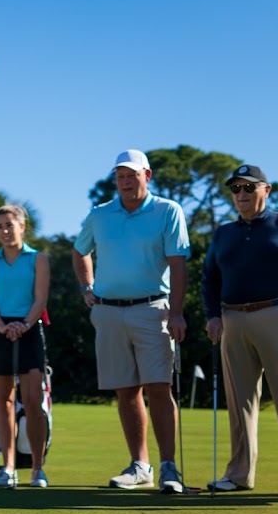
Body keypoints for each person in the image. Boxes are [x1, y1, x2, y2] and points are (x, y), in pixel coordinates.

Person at [72, 149, 190, 493]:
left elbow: (178, 263)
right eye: (120, 176)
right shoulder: (100, 214)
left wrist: (179, 312)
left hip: (153, 309)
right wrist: (87, 289)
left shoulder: (168, 210)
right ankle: (140, 466)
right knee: (126, 390)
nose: (125, 182)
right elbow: (80, 251)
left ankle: (169, 467)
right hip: (108, 311)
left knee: (158, 386)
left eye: (131, 175)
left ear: (147, 176)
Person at [202, 165, 278, 492]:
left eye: (248, 188)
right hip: (233, 320)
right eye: (236, 189)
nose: (241, 194)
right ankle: (239, 475)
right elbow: (210, 279)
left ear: (266, 191)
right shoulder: (222, 233)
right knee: (239, 401)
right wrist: (213, 316)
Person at [0, 204, 50, 488]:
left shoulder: (38, 259)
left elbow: (40, 298)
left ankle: (37, 468)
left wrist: (23, 324)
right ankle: (7, 467)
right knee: (4, 402)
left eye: (9, 225)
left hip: (30, 329)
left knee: (33, 401)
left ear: (22, 226)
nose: (4, 231)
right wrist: (2, 327)